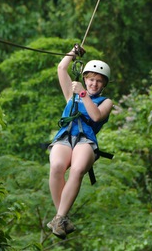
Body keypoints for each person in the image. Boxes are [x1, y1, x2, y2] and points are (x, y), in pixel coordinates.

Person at [47, 45, 113, 239]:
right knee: (57, 166)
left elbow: (96, 116)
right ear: (85, 78)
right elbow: (61, 68)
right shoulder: (71, 94)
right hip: (65, 136)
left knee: (76, 170)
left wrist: (83, 94)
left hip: (86, 140)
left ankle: (59, 218)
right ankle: (61, 217)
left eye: (99, 81)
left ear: (104, 85)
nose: (94, 84)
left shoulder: (105, 102)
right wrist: (73, 53)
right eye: (91, 79)